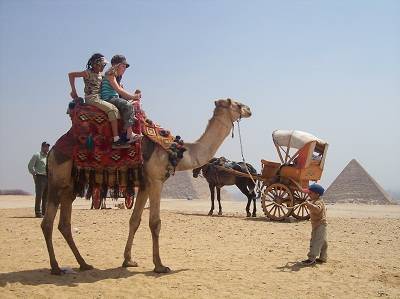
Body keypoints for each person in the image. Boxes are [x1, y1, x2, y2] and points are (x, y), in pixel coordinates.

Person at [68, 53, 127, 148]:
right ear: (96, 64)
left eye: (104, 65)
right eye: (102, 65)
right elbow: (71, 75)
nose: (103, 66)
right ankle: (116, 139)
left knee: (119, 107)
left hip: (100, 97)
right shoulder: (87, 73)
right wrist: (74, 91)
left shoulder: (101, 75)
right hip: (92, 98)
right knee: (112, 109)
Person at [100, 54, 141, 144]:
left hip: (114, 98)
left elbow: (121, 91)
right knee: (128, 106)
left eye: (125, 66)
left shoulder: (116, 77)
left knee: (132, 104)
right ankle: (129, 135)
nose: (125, 68)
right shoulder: (110, 75)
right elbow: (119, 90)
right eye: (123, 66)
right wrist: (134, 96)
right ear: (116, 66)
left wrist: (133, 97)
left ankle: (129, 130)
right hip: (109, 98)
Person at [301, 183, 328, 266]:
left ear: (317, 194)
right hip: (318, 224)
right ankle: (323, 258)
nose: (308, 195)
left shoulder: (319, 202)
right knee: (323, 242)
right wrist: (308, 204)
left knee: (315, 241)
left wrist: (309, 205)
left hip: (319, 224)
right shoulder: (314, 201)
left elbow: (317, 209)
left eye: (310, 193)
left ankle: (311, 258)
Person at [28, 142, 50, 218]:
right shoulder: (37, 155)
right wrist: (34, 174)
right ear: (42, 147)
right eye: (46, 147)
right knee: (39, 196)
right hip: (40, 177)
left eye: (48, 147)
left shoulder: (48, 156)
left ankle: (44, 212)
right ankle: (38, 212)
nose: (47, 148)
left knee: (46, 196)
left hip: (48, 178)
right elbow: (30, 166)